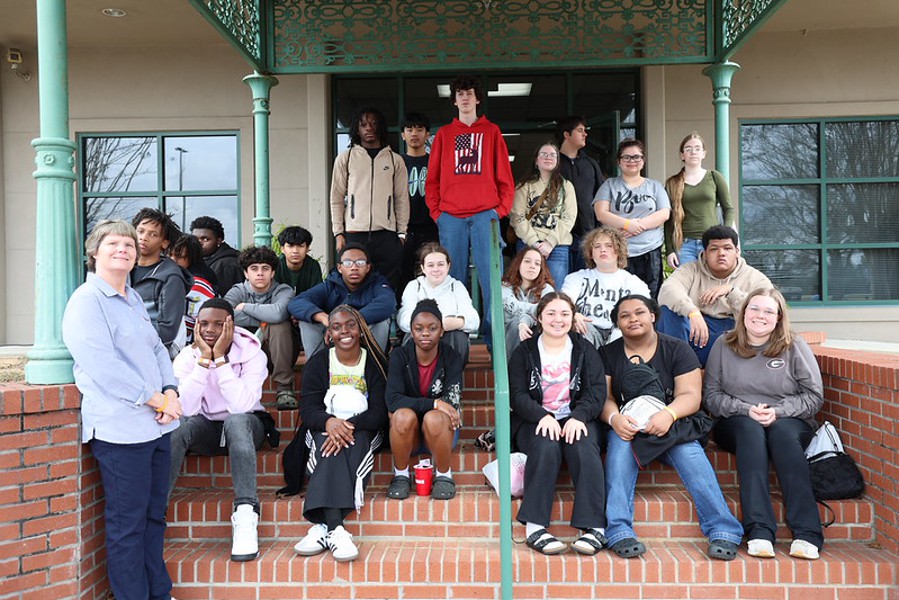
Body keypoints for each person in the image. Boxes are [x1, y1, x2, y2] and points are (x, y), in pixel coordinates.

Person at [62, 219, 183, 600]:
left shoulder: (131, 298)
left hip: (156, 428)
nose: (123, 250)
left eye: (129, 245)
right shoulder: (87, 301)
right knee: (127, 525)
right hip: (120, 431)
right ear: (94, 251)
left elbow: (157, 348)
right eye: (113, 243)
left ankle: (158, 593)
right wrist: (156, 399)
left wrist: (171, 391)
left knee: (153, 518)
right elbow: (104, 367)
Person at [600, 295, 743, 561]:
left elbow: (690, 395)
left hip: (672, 425)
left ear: (653, 315)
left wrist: (668, 414)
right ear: (617, 323)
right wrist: (615, 419)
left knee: (689, 452)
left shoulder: (676, 348)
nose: (633, 319)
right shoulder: (607, 354)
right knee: (618, 448)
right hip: (628, 426)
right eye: (625, 315)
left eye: (640, 312)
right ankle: (618, 530)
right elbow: (605, 397)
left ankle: (724, 529)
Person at [703, 287, 824, 560]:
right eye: (754, 308)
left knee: (781, 435)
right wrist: (746, 410)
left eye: (768, 311)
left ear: (779, 317)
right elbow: (711, 397)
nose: (760, 315)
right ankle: (759, 530)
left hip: (789, 420)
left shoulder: (794, 346)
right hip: (736, 422)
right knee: (750, 431)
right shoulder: (724, 344)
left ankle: (807, 533)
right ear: (743, 312)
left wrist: (778, 411)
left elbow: (814, 396)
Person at [168, 299, 270, 562]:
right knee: (179, 426)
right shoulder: (187, 356)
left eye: (217, 323)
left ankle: (246, 511)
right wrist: (204, 361)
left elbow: (242, 405)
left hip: (247, 427)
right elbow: (185, 409)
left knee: (235, 420)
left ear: (231, 325)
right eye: (203, 323)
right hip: (207, 428)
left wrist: (221, 360)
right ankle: (156, 508)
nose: (209, 330)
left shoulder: (253, 354)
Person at [509, 292, 607, 556]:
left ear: (573, 317)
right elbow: (516, 394)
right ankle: (535, 527)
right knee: (545, 445)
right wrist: (542, 416)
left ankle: (595, 527)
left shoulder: (584, 348)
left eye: (564, 313)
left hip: (576, 418)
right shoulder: (525, 351)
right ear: (539, 317)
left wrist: (578, 416)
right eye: (551, 313)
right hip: (535, 419)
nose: (558, 319)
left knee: (585, 448)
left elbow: (597, 391)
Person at [292, 306, 389, 562]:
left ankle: (322, 527)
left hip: (363, 428)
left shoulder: (375, 362)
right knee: (327, 445)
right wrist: (330, 423)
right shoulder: (320, 362)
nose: (344, 331)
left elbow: (379, 412)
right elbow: (309, 409)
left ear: (360, 329)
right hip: (325, 427)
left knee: (346, 444)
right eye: (336, 327)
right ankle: (336, 528)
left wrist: (347, 426)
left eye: (350, 325)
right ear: (329, 333)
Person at [426, 74, 515, 349]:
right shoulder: (444, 134)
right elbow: (433, 178)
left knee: (491, 278)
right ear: (454, 100)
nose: (465, 97)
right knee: (452, 278)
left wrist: (499, 210)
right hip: (451, 216)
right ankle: (457, 337)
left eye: (470, 93)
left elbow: (505, 176)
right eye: (460, 93)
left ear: (477, 98)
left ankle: (492, 338)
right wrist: (437, 212)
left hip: (484, 215)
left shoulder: (491, 132)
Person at [657, 225, 772, 367]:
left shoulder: (755, 278)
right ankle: (680, 369)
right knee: (666, 314)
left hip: (729, 333)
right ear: (704, 253)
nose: (721, 253)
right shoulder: (691, 269)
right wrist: (693, 312)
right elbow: (668, 290)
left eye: (727, 248)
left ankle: (683, 367)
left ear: (737, 252)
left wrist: (731, 291)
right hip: (694, 330)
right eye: (714, 249)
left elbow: (767, 310)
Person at [386, 299, 464, 501]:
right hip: (407, 434)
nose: (425, 333)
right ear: (411, 331)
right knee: (402, 416)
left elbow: (451, 402)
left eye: (432, 328)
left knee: (434, 418)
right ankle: (401, 475)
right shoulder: (400, 356)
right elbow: (393, 400)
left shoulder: (451, 357)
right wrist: (434, 403)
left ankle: (444, 474)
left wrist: (436, 408)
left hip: (440, 432)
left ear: (442, 331)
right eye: (419, 328)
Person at [330, 106, 409, 292]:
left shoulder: (394, 160)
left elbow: (401, 199)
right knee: (356, 282)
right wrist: (338, 233)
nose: (369, 128)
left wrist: (402, 233)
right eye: (363, 124)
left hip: (386, 233)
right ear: (357, 129)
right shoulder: (346, 158)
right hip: (355, 233)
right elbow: (336, 198)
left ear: (380, 127)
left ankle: (388, 319)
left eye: (373, 124)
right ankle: (357, 319)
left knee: (389, 282)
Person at [224, 245, 300, 410]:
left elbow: (278, 313)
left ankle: (284, 389)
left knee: (278, 324)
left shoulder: (283, 290)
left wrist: (244, 307)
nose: (260, 273)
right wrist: (264, 316)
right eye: (254, 268)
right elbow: (224, 316)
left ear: (272, 273)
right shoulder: (237, 291)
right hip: (245, 355)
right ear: (246, 273)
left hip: (277, 355)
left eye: (265, 268)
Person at [593, 139, 671, 298]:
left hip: (650, 250)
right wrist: (627, 224)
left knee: (650, 296)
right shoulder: (609, 185)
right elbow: (601, 213)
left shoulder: (654, 186)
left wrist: (637, 226)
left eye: (636, 157)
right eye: (626, 157)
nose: (632, 161)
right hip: (618, 251)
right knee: (619, 296)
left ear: (643, 161)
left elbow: (664, 213)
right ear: (618, 162)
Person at [288, 243, 396, 357]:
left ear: (368, 267)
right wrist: (325, 318)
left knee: (381, 322)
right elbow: (296, 302)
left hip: (364, 333)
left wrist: (348, 323)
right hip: (332, 336)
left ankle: (374, 369)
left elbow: (387, 303)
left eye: (360, 263)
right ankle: (317, 368)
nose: (354, 267)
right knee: (308, 322)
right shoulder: (331, 285)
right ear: (340, 268)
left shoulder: (377, 284)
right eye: (348, 263)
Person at [561, 227, 649, 348]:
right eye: (597, 246)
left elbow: (645, 314)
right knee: (576, 328)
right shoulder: (576, 278)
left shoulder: (634, 283)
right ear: (590, 253)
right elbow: (563, 303)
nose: (603, 250)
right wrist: (573, 314)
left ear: (619, 251)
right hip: (587, 331)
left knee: (623, 332)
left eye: (609, 246)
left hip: (619, 331)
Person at [396, 243, 479, 366]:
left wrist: (453, 323)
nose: (436, 269)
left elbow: (473, 320)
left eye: (440, 264)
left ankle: (450, 379)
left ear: (448, 266)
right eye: (430, 265)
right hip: (422, 340)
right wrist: (430, 327)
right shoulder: (414, 286)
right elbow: (403, 319)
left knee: (457, 336)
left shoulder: (456, 286)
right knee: (414, 334)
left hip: (448, 339)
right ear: (423, 268)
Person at [509, 141, 577, 288]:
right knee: (527, 290)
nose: (548, 157)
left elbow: (569, 217)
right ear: (536, 160)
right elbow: (517, 216)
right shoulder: (524, 186)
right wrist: (534, 242)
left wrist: (550, 242)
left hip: (557, 246)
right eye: (544, 154)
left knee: (555, 291)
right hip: (528, 244)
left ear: (558, 161)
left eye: (553, 155)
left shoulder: (566, 187)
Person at [664, 132, 735, 269]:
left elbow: (729, 209)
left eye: (697, 148)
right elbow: (669, 220)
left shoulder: (714, 177)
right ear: (682, 155)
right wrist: (670, 251)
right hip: (684, 245)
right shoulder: (672, 183)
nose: (693, 152)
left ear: (704, 153)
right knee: (689, 286)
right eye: (688, 149)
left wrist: (725, 234)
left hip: (712, 244)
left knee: (712, 285)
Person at [131, 208, 191, 358]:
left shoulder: (171, 277)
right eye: (140, 231)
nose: (144, 238)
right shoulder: (123, 269)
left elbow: (167, 328)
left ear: (164, 243)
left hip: (151, 355)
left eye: (153, 234)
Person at [556, 115, 605, 272]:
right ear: (566, 134)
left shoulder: (591, 163)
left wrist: (598, 230)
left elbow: (602, 197)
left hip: (587, 235)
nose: (585, 134)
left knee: (585, 283)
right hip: (558, 237)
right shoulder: (553, 164)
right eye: (580, 130)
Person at [400, 112, 440, 290]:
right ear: (403, 135)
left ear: (427, 134)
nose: (414, 134)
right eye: (409, 129)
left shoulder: (436, 162)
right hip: (404, 228)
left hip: (431, 226)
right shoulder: (397, 162)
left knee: (432, 270)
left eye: (419, 129)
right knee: (403, 271)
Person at [502, 247, 555, 359]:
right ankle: (513, 368)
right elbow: (514, 306)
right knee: (515, 323)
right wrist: (536, 311)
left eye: (537, 264)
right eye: (527, 261)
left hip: (536, 335)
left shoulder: (547, 289)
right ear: (518, 264)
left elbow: (549, 313)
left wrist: (525, 321)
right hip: (509, 340)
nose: (532, 266)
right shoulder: (505, 287)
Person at [171, 234, 218, 345]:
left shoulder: (197, 283)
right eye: (170, 255)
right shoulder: (183, 275)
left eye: (179, 256)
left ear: (192, 257)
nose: (173, 260)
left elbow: (190, 322)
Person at [191, 215, 243, 296]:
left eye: (205, 239)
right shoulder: (197, 260)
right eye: (195, 239)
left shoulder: (227, 265)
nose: (199, 243)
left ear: (219, 241)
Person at [275, 225, 323, 296]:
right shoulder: (276, 265)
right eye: (290, 246)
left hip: (306, 304)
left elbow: (317, 294)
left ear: (307, 248)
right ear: (282, 249)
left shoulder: (313, 266)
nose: (295, 251)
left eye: (300, 246)